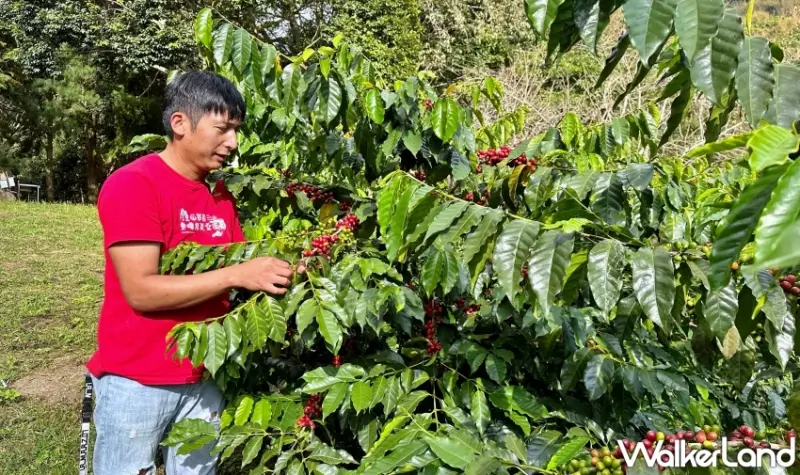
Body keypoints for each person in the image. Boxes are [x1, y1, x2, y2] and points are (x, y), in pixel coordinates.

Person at [85, 70, 298, 475]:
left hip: (204, 375)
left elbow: (241, 269)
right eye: (223, 129)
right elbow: (141, 291)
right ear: (180, 123)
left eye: (236, 130)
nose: (233, 143)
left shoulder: (219, 195)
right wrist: (237, 274)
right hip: (138, 380)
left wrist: (289, 271)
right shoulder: (134, 185)